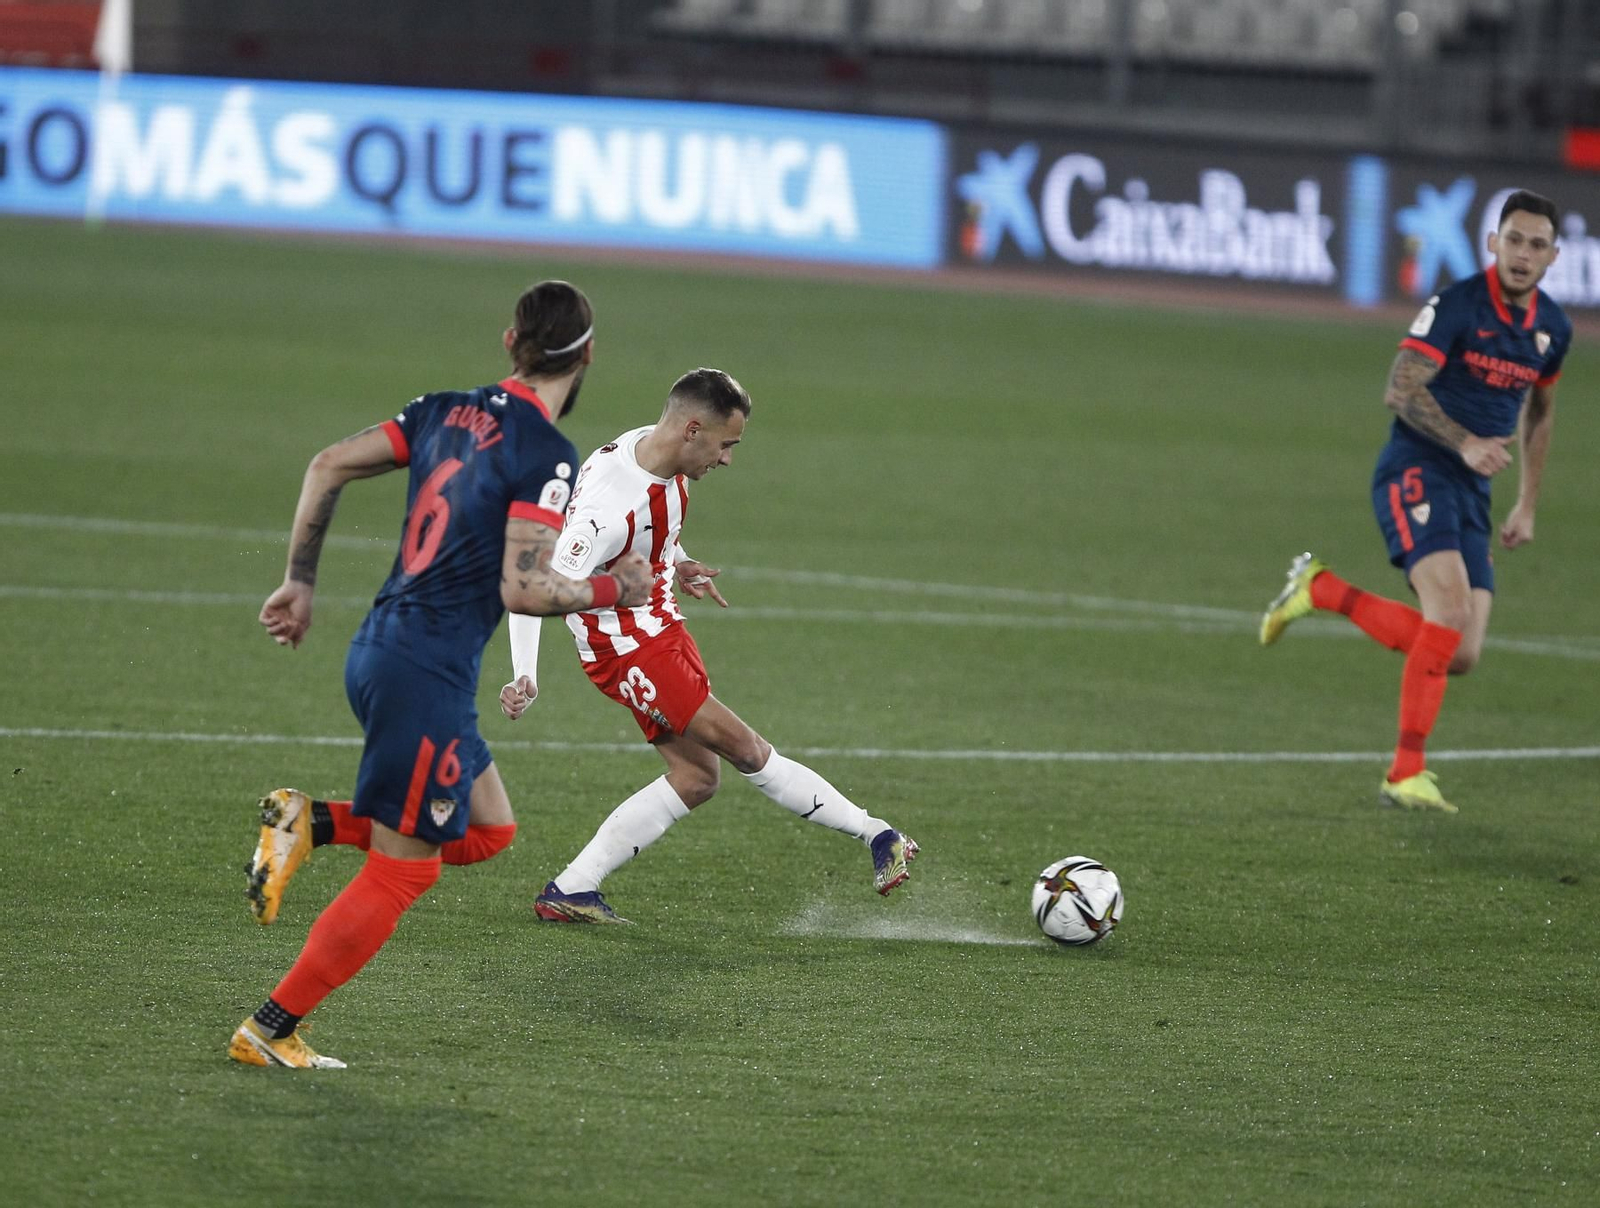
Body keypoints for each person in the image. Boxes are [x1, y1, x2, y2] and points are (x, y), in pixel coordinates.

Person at [229, 280, 652, 1069]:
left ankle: (309, 823)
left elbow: (327, 464)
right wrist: (613, 589)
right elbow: (523, 589)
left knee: (488, 830)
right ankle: (269, 1028)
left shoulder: (439, 410)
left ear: (510, 341)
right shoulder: (544, 453)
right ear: (589, 354)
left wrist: (299, 582)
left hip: (384, 651)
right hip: (424, 672)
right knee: (402, 874)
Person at [498, 367, 918, 923]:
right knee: (747, 750)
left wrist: (675, 560)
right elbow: (534, 588)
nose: (727, 459)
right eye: (726, 445)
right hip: (630, 652)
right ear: (692, 430)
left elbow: (649, 527)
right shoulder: (606, 510)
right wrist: (525, 673)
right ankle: (877, 834)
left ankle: (572, 889)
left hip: (662, 629)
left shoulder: (649, 448)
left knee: (697, 778)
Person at [1259, 190, 1571, 814]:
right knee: (1448, 612)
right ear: (1493, 242)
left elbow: (1540, 413)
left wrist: (1527, 504)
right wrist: (1465, 442)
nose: (1523, 253)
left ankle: (1322, 589)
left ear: (1553, 256)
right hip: (1417, 466)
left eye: (1537, 244)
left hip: (1474, 488)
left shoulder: (1552, 330)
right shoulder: (1458, 305)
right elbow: (1399, 388)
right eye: (1513, 239)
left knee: (1463, 653)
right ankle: (1404, 773)